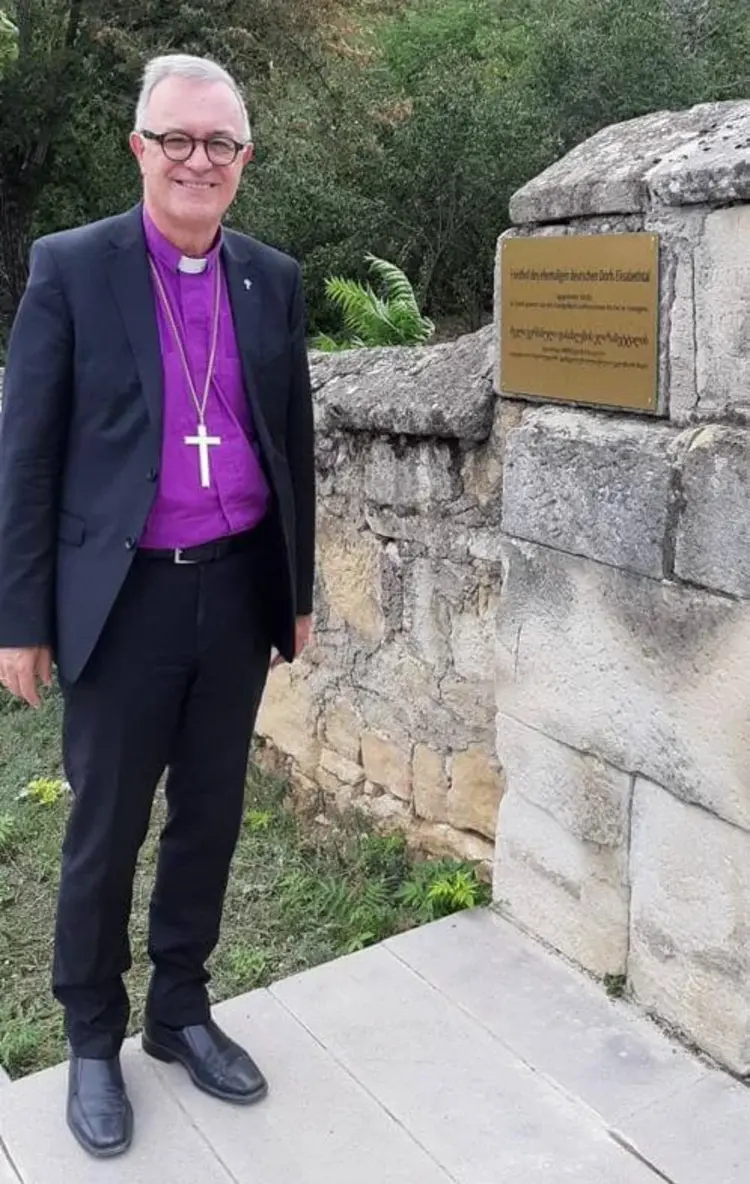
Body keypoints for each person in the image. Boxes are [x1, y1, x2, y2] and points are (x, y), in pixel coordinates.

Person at [0, 53, 315, 1158]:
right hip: (121, 598)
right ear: (139, 147)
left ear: (243, 161)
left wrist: (298, 592)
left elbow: (294, 445)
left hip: (233, 591)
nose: (197, 160)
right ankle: (93, 1033)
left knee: (211, 816)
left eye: (218, 143)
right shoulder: (74, 268)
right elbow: (25, 452)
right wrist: (19, 617)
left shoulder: (269, 278)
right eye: (176, 139)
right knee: (105, 825)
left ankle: (180, 1008)